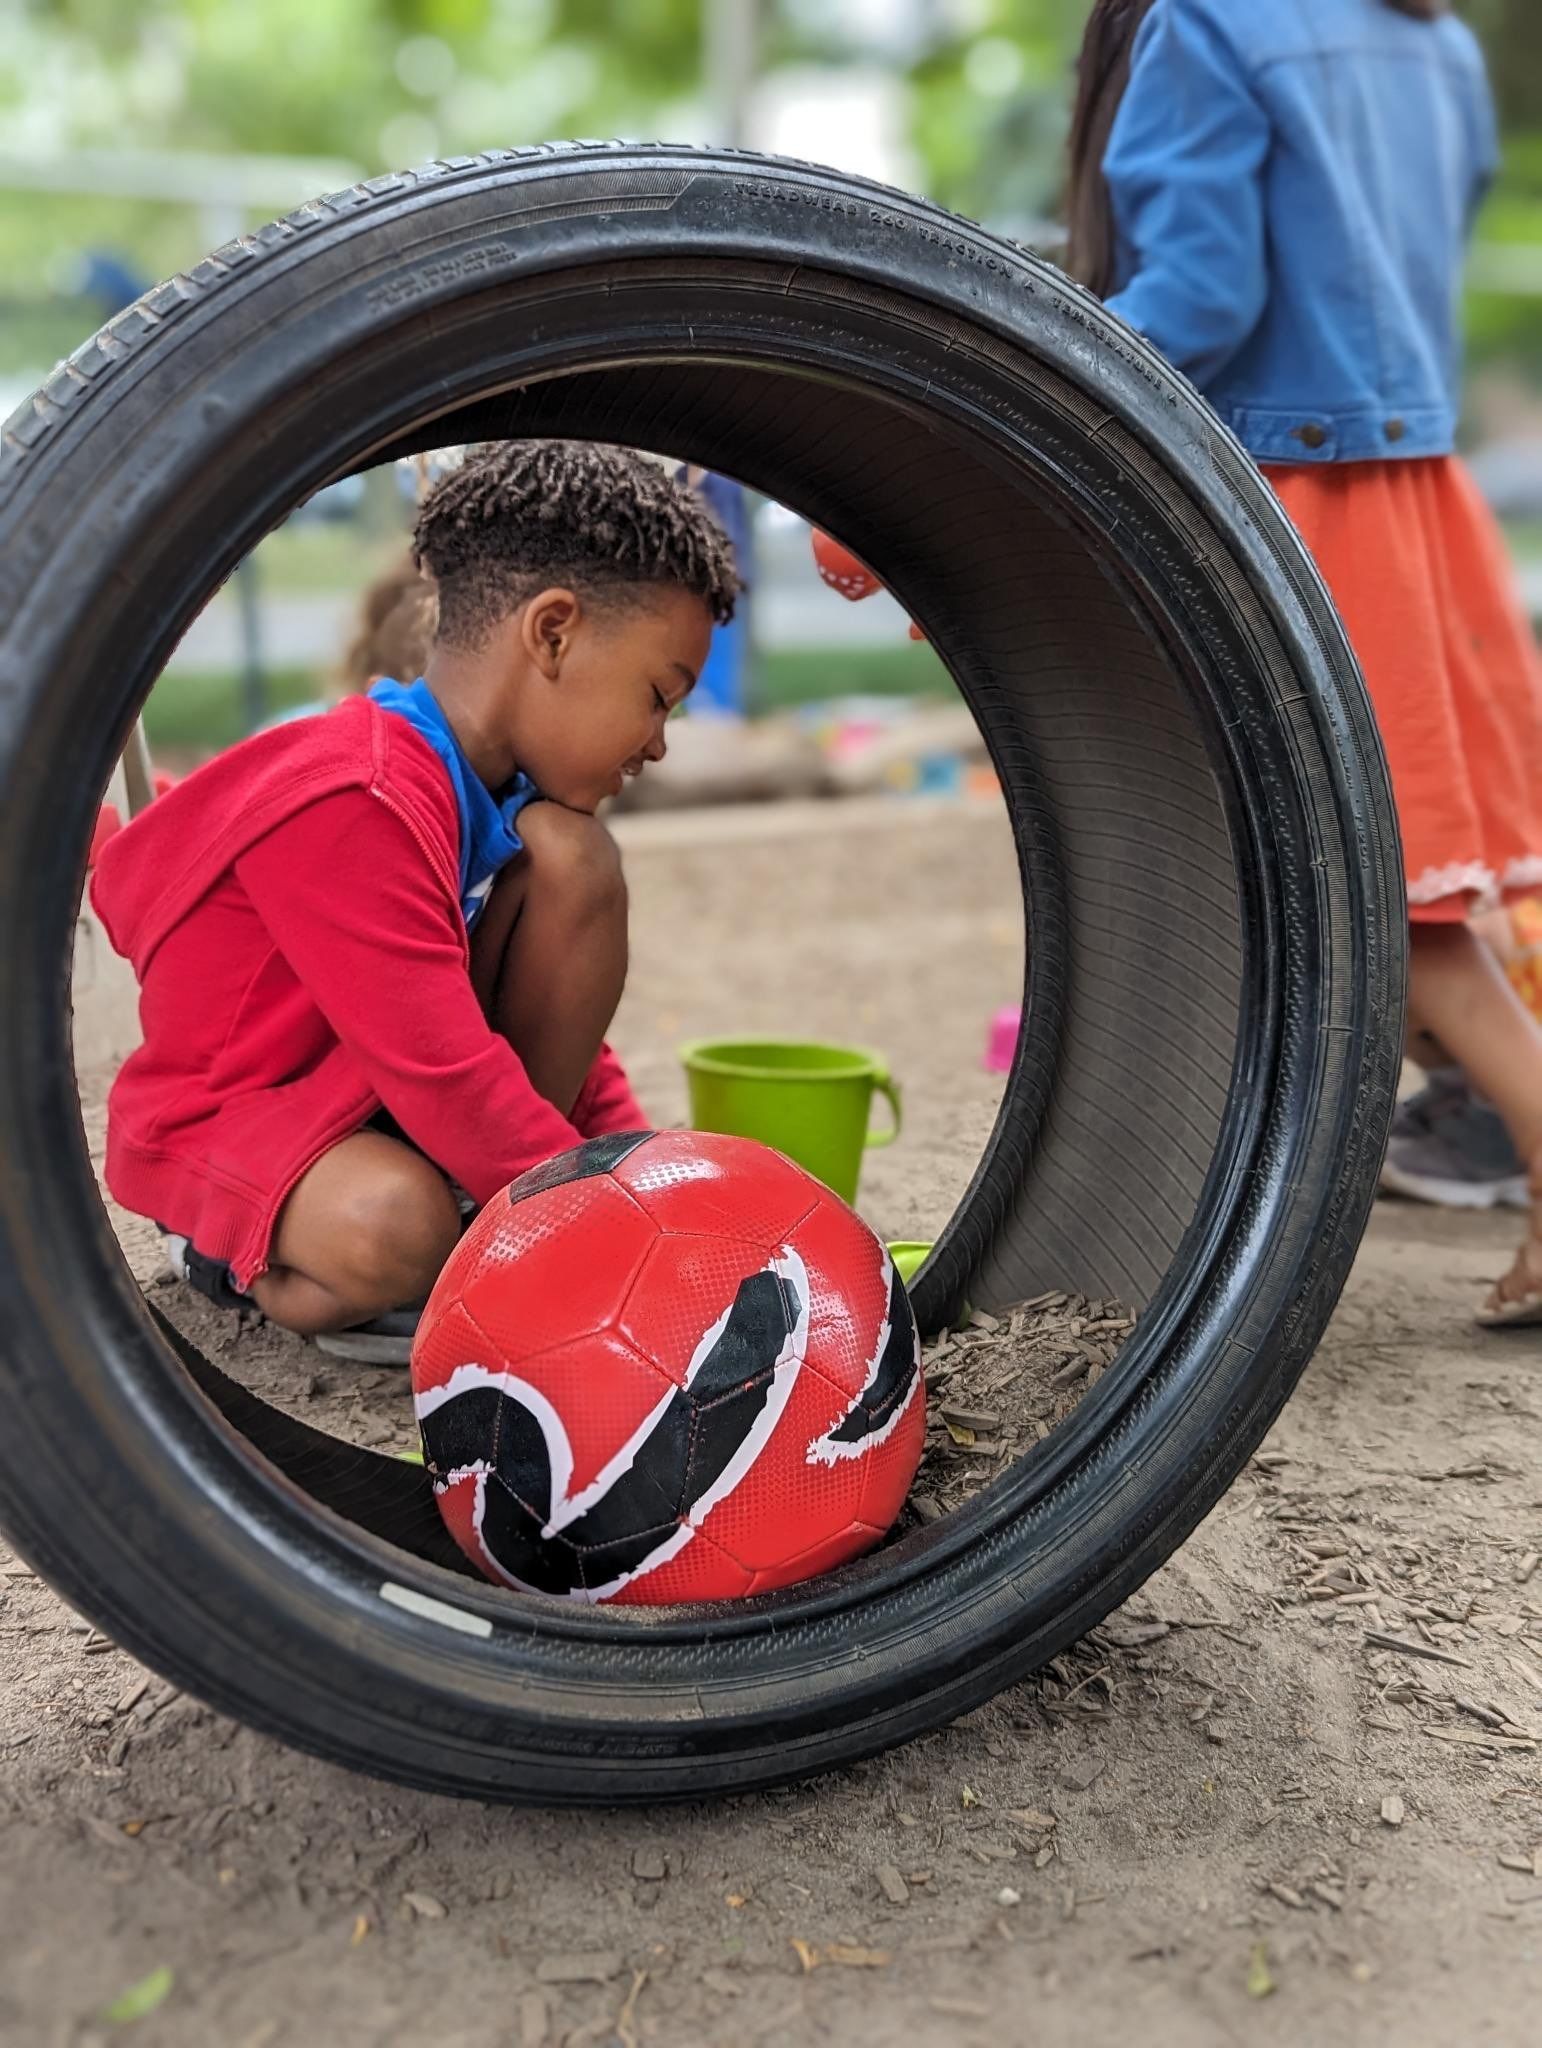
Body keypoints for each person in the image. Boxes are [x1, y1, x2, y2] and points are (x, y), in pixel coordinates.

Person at [1067, 0, 1542, 1325]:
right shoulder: (1429, 37)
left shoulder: (1211, 23)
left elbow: (1203, 297)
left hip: (1294, 499)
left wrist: (1043, 372)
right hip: (1411, 490)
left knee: (1380, 903)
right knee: (1369, 893)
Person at [92, 441, 739, 1363]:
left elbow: (559, 1047)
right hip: (243, 1120)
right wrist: (611, 1239)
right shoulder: (360, 795)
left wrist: (632, 1171)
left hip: (376, 1106)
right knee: (395, 1226)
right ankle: (225, 1248)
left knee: (574, 858)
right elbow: (447, 1073)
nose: (659, 743)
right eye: (657, 697)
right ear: (551, 633)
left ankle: (492, 1220)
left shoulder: (503, 800)